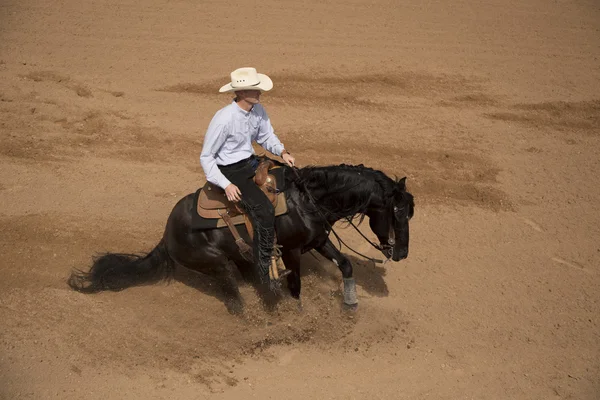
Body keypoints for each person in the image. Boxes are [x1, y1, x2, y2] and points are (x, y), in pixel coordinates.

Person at [200, 67, 296, 284]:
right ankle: (263, 268)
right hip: (231, 171)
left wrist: (282, 152)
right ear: (241, 93)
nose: (259, 93)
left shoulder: (258, 110)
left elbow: (266, 136)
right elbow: (206, 157)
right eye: (255, 89)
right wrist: (226, 185)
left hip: (252, 163)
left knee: (290, 180)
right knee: (262, 209)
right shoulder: (224, 119)